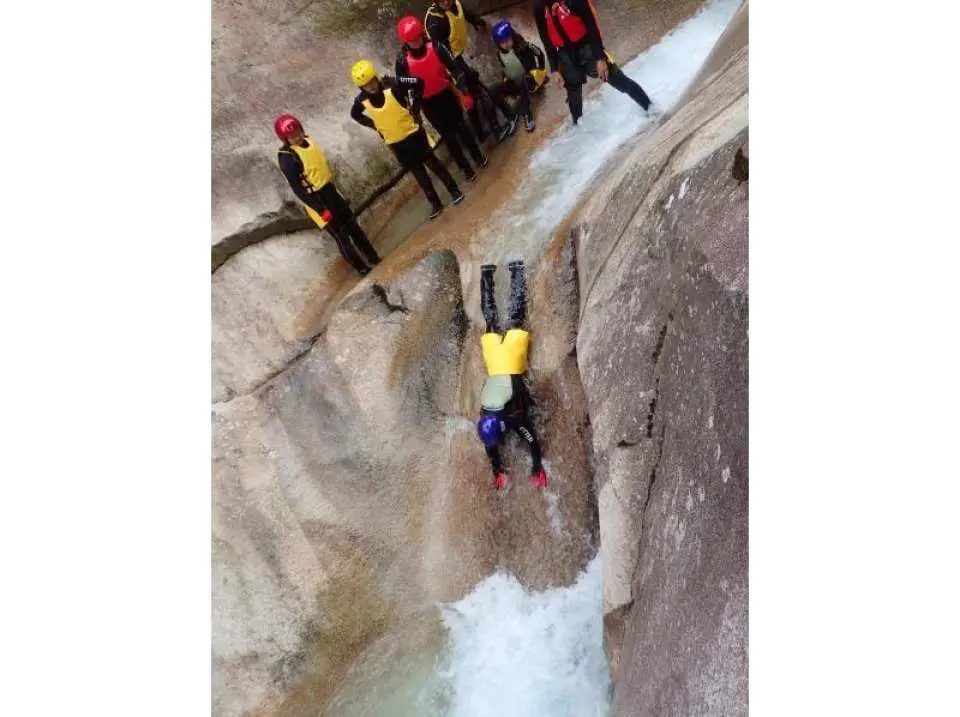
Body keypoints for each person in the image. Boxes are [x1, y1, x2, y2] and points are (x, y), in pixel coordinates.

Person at [349, 59, 464, 220]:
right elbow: (355, 115)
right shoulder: (361, 100)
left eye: (372, 81)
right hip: (396, 143)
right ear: (361, 88)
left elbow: (418, 83)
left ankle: (454, 190)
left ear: (376, 77)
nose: (371, 87)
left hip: (414, 134)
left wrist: (416, 105)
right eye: (366, 85)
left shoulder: (393, 83)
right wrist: (375, 125)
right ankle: (435, 203)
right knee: (418, 173)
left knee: (433, 163)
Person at [274, 114, 381, 276]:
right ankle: (361, 268)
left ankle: (373, 256)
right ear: (285, 139)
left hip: (329, 190)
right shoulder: (287, 158)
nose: (297, 137)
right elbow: (298, 189)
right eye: (292, 136)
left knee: (353, 226)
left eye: (298, 132)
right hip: (316, 199)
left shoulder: (308, 141)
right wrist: (320, 209)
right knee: (341, 236)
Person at [476, 261, 549, 491]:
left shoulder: (513, 417)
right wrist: (497, 470)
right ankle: (487, 274)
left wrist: (536, 467)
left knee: (516, 316)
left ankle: (517, 270)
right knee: (491, 320)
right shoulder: (485, 412)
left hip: (510, 360)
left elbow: (531, 438)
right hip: (493, 360)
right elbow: (490, 445)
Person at [395, 16, 488, 183]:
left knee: (462, 128)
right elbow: (402, 86)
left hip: (446, 94)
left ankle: (478, 157)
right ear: (405, 42)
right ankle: (465, 169)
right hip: (428, 103)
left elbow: (455, 69)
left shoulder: (436, 47)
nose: (417, 42)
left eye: (418, 37)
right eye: (412, 40)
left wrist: (463, 89)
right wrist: (414, 105)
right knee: (449, 137)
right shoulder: (402, 62)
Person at [533, 0, 654, 125]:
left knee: (618, 79)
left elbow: (591, 26)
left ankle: (651, 108)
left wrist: (600, 58)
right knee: (574, 97)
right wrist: (554, 69)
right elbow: (546, 40)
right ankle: (578, 129)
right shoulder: (539, 7)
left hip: (588, 47)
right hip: (566, 54)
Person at [424, 0, 518, 142]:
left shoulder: (455, 4)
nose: (446, 2)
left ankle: (480, 134)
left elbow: (464, 14)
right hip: (450, 63)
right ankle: (497, 130)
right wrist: (458, 74)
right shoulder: (435, 22)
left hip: (457, 56)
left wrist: (477, 21)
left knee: (473, 97)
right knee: (481, 93)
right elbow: (441, 53)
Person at [490, 20, 549, 132]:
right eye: (502, 43)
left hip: (531, 79)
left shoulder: (523, 46)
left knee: (521, 80)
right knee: (493, 90)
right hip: (516, 82)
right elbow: (505, 69)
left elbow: (539, 53)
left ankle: (527, 115)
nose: (506, 44)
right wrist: (505, 80)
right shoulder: (500, 54)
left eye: (508, 40)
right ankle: (510, 115)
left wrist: (540, 70)